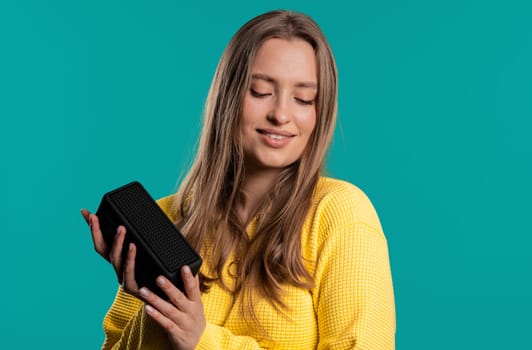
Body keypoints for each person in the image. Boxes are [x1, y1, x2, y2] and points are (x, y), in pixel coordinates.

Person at [81, 10, 395, 349]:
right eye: (260, 92)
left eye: (304, 99)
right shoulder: (167, 220)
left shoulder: (341, 214)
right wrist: (156, 310)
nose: (281, 114)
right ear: (227, 97)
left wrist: (202, 340)